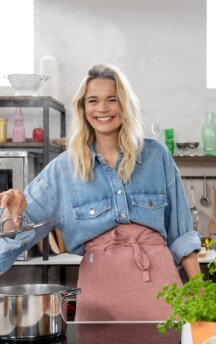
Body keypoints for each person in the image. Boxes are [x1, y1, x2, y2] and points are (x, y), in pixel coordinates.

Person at [0, 64, 201, 321]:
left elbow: (181, 233)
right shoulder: (63, 170)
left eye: (112, 100)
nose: (102, 109)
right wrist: (10, 213)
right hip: (100, 303)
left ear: (125, 105)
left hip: (163, 296)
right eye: (93, 101)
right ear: (83, 109)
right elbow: (18, 233)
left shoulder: (157, 156)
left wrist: (199, 292)